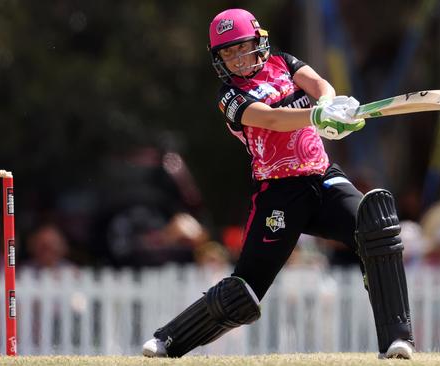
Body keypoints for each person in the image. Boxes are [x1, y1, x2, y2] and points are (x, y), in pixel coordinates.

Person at [142, 9, 414, 359]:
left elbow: (319, 84)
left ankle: (397, 339)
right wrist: (316, 115)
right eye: (228, 53)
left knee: (374, 228)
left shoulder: (284, 62)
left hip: (322, 177)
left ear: (259, 41)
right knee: (245, 290)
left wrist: (331, 105)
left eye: (243, 48)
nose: (238, 59)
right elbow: (271, 118)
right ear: (218, 59)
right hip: (279, 193)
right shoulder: (230, 97)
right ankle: (169, 340)